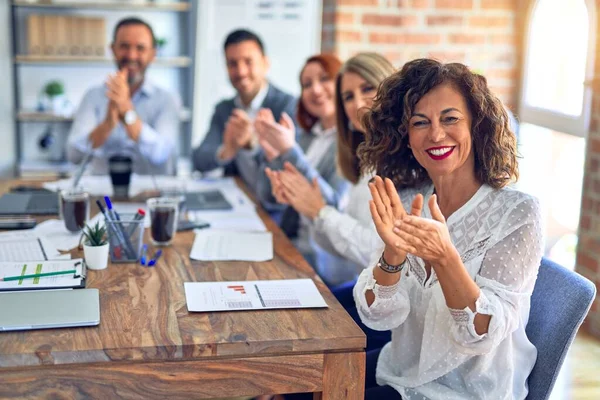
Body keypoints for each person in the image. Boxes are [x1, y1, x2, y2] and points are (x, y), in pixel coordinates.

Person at [351, 59, 543, 399]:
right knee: (294, 383)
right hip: (400, 370)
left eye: (450, 118)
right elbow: (377, 314)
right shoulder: (409, 200)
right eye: (420, 122)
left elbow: (482, 334)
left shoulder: (517, 212)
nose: (436, 134)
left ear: (476, 126)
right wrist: (393, 255)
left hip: (462, 391)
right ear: (406, 138)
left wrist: (445, 257)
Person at [266, 53, 393, 292]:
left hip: (359, 287)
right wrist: (309, 208)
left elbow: (378, 253)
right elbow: (338, 240)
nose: (357, 104)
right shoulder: (364, 159)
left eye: (368, 88)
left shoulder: (397, 164)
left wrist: (319, 211)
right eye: (348, 97)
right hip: (355, 282)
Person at [255, 54, 348, 271]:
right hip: (292, 251)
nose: (315, 90)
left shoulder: (352, 143)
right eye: (307, 84)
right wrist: (274, 159)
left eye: (324, 79)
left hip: (324, 265)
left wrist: (289, 150)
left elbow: (331, 205)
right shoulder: (306, 136)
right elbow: (268, 198)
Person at [67, 17, 180, 175]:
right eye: (124, 46)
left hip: (151, 196)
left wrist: (127, 112)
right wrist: (106, 125)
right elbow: (73, 155)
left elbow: (163, 155)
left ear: (153, 54)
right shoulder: (93, 96)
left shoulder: (166, 100)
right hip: (103, 197)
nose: (132, 55)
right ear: (113, 49)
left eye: (140, 48)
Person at [191, 29, 297, 191]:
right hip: (238, 198)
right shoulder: (224, 109)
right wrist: (226, 151)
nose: (241, 72)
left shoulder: (287, 106)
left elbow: (290, 166)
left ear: (265, 63)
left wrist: (252, 145)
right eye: (232, 64)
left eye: (248, 62)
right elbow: (199, 159)